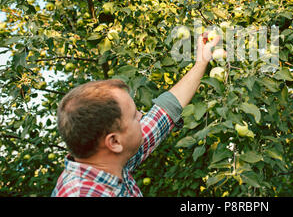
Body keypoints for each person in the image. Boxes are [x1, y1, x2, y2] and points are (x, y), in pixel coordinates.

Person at [51, 32, 221, 197]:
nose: (141, 116)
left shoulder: (109, 162)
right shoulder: (83, 193)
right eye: (133, 116)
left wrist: (201, 61)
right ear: (114, 141)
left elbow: (164, 111)